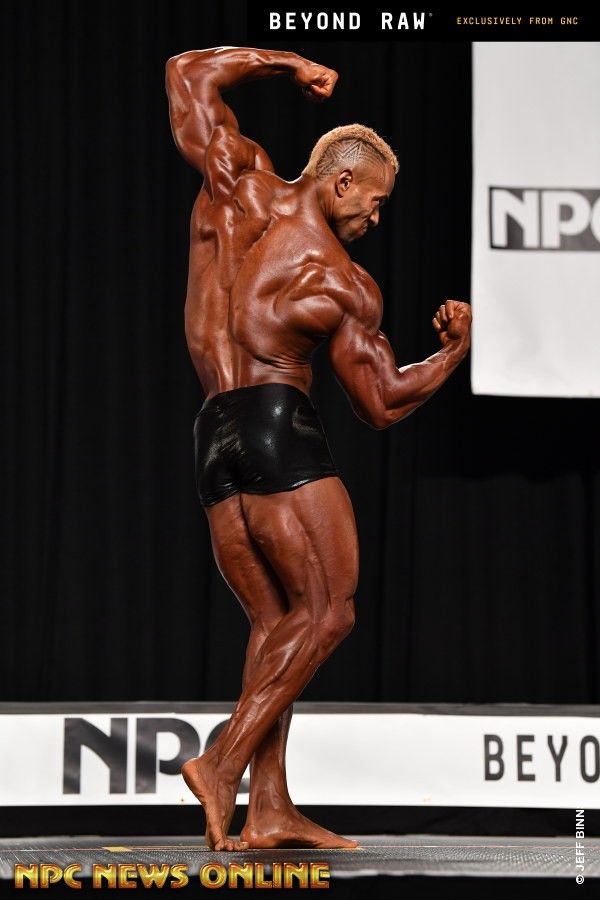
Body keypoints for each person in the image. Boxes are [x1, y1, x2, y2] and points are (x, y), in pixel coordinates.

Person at [165, 46, 471, 852]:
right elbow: (381, 402)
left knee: (277, 624)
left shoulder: (234, 184)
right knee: (330, 611)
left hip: (213, 436)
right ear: (340, 183)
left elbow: (188, 73)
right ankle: (222, 763)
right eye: (374, 204)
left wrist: (286, 64)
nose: (376, 221)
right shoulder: (341, 280)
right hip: (277, 425)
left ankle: (268, 808)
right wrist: (453, 353)